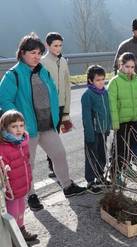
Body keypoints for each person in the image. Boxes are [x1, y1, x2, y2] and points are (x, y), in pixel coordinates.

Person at [0, 33, 86, 211]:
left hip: (47, 125)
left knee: (59, 154)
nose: (37, 56)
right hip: (26, 129)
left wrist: (58, 117)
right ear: (22, 53)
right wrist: (18, 120)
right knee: (27, 164)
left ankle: (67, 186)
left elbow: (53, 94)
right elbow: (4, 100)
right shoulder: (13, 75)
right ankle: (31, 196)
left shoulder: (43, 71)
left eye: (39, 53)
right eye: (33, 53)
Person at [108, 52, 137, 179]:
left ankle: (126, 168)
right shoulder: (114, 82)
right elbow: (112, 105)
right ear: (120, 65)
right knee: (119, 148)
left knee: (130, 147)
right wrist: (114, 122)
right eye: (127, 66)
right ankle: (115, 173)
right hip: (121, 122)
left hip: (134, 120)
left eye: (132, 67)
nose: (130, 70)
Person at [0, 110, 37, 243]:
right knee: (13, 212)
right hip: (11, 189)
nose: (19, 129)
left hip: (22, 185)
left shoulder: (23, 142)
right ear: (5, 127)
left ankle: (21, 230)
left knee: (21, 209)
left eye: (21, 125)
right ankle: (12, 238)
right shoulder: (3, 147)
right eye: (14, 126)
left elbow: (26, 162)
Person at [41, 32, 72, 179]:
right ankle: (52, 165)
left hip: (60, 105)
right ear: (47, 45)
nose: (58, 48)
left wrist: (66, 110)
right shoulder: (42, 62)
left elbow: (67, 86)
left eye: (60, 45)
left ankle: (55, 165)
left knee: (56, 135)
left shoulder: (64, 61)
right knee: (50, 136)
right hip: (47, 106)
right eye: (55, 45)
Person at [81, 65, 111, 194]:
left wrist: (108, 126)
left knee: (102, 155)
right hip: (92, 131)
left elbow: (107, 111)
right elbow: (86, 117)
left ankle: (100, 177)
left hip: (103, 130)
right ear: (90, 81)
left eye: (103, 79)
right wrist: (89, 134)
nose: (101, 82)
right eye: (98, 80)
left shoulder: (104, 92)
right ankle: (90, 182)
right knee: (91, 156)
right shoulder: (87, 95)